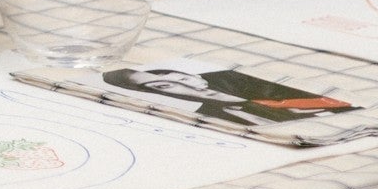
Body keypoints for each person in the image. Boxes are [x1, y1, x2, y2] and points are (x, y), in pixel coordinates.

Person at [102, 62, 354, 134]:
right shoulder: (211, 119)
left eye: (179, 76)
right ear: (160, 93)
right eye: (164, 85)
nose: (182, 83)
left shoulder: (253, 85)